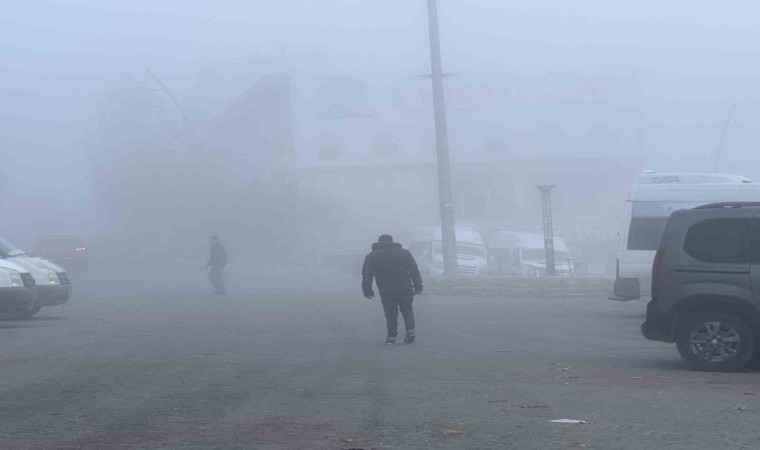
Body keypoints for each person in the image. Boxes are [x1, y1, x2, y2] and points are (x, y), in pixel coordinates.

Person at [362, 235, 423, 345]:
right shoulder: (404, 253)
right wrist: (418, 286)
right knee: (407, 309)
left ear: (379, 243)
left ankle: (391, 336)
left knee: (390, 312)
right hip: (405, 287)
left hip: (386, 289)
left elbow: (367, 275)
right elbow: (414, 270)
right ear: (392, 241)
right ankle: (410, 330)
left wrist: (367, 291)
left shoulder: (372, 256)